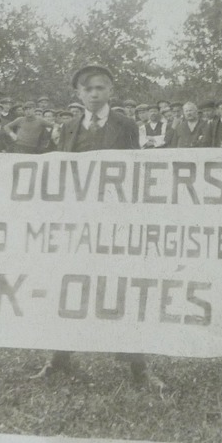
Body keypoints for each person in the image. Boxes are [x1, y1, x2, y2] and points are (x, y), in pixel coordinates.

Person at [38, 65, 158, 388]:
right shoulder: (69, 128)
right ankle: (59, 357)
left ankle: (138, 367)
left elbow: (136, 173)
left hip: (116, 221)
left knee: (122, 288)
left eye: (101, 88)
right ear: (78, 93)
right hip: (78, 222)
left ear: (110, 91)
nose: (94, 94)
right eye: (87, 89)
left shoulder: (127, 126)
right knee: (69, 284)